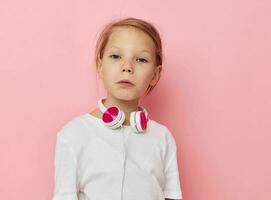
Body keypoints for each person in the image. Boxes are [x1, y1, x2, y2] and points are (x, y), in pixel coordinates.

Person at [52, 17, 183, 200]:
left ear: (155, 74)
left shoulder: (163, 138)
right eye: (116, 56)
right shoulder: (74, 134)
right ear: (100, 65)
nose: (127, 68)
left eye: (141, 59)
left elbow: (171, 196)